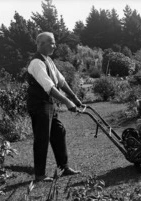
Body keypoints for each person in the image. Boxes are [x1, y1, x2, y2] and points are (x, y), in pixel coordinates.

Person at [27, 32, 83, 182]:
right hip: (38, 104)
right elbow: (49, 87)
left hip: (47, 103)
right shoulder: (37, 63)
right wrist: (67, 102)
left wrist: (75, 98)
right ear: (40, 44)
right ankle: (39, 174)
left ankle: (63, 167)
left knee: (58, 132)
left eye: (54, 42)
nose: (54, 45)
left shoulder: (48, 60)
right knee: (42, 138)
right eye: (51, 42)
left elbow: (61, 81)